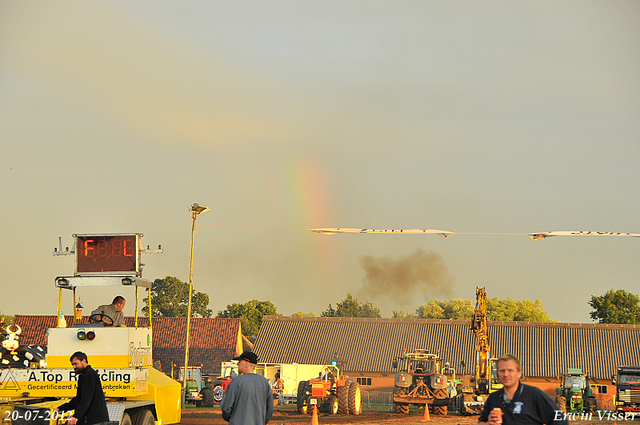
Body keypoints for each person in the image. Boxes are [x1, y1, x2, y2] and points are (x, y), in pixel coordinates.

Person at [478, 354, 568, 425]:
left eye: (510, 370)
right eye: (502, 371)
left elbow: (560, 419)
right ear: (497, 373)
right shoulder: (493, 398)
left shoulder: (534, 395)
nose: (505, 374)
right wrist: (488, 423)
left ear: (519, 373)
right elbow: (481, 422)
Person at [55, 351, 109, 425]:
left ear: (84, 361)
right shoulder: (85, 375)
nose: (74, 367)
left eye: (75, 364)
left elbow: (86, 398)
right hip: (94, 419)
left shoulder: (89, 374)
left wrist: (76, 416)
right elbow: (79, 399)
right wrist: (61, 408)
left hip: (94, 420)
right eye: (72, 364)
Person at [221, 351, 273, 425]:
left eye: (240, 361)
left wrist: (232, 419)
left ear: (246, 364)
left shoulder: (236, 382)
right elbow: (270, 408)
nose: (237, 364)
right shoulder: (264, 382)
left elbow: (226, 408)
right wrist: (262, 421)